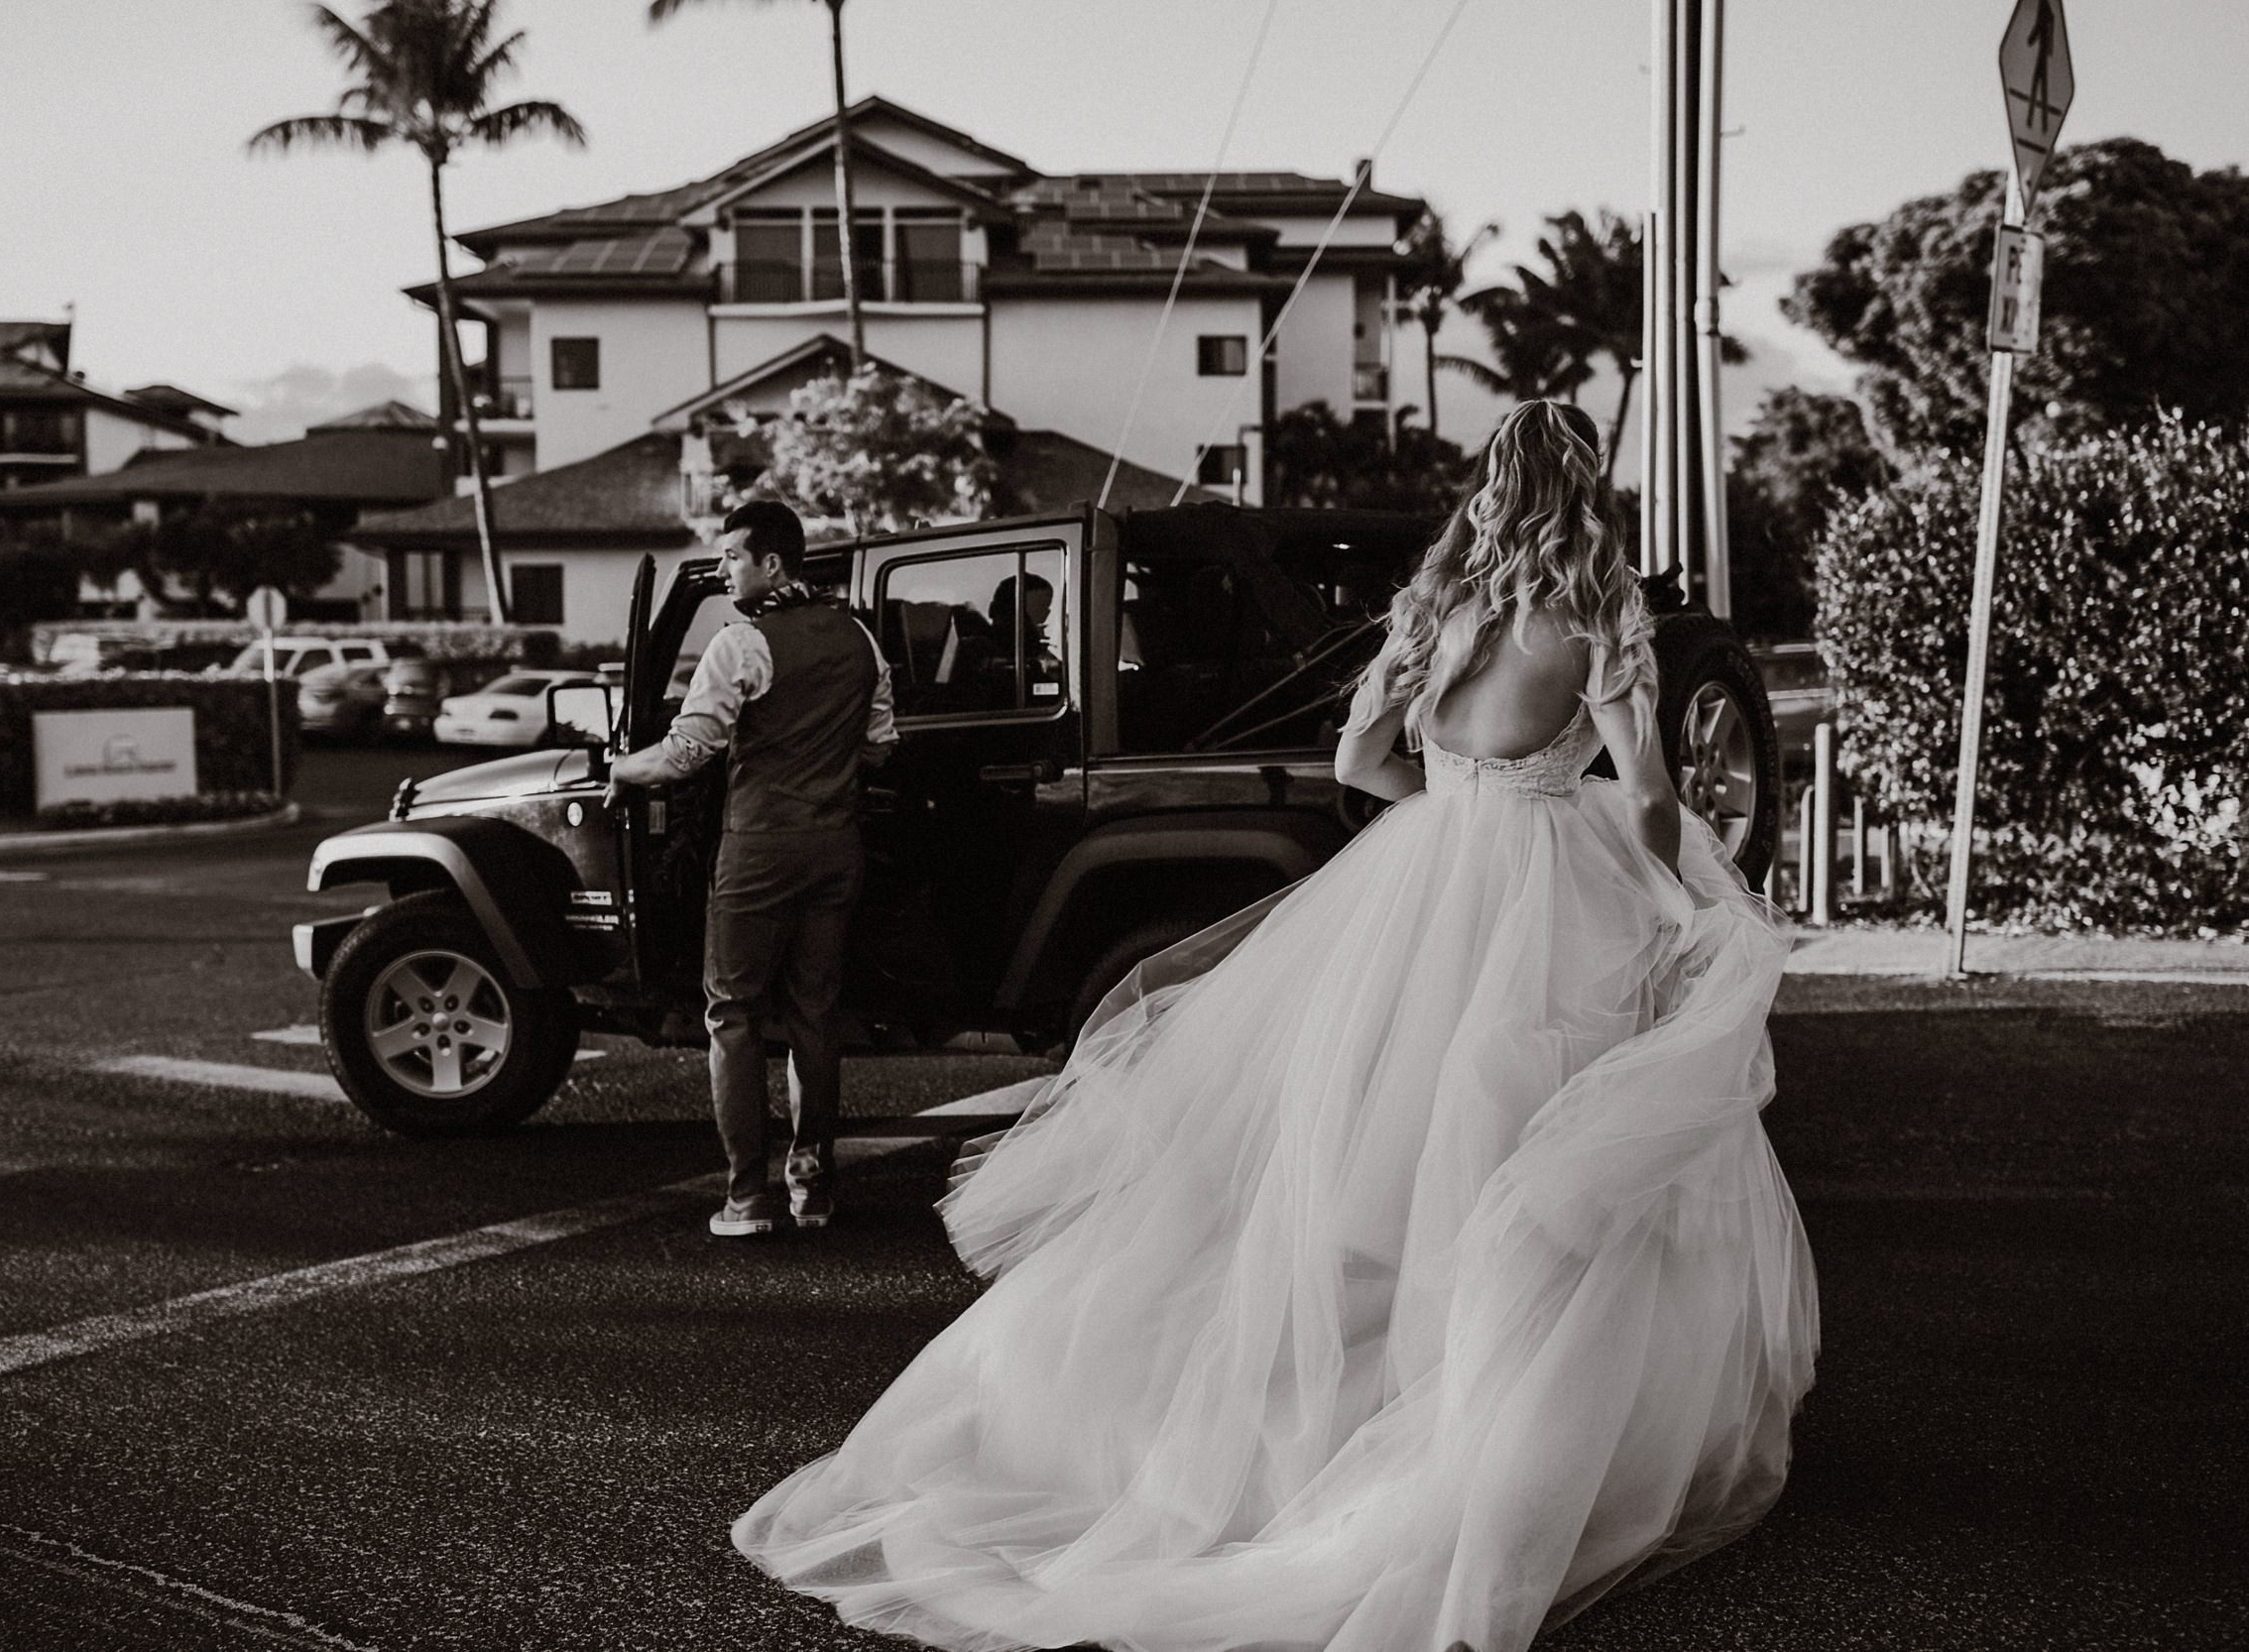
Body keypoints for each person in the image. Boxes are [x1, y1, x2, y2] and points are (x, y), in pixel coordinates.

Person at [729, 403, 1818, 1650]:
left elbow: (1359, 759)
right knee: (1536, 1161)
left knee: (1376, 1159)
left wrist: (1455, 802)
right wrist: (1662, 889)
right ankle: (1487, 1435)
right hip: (1541, 891)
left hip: (1423, 880)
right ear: (1585, 486)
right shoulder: (1597, 603)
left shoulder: (1440, 599)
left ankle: (1314, 1424)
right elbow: (1655, 797)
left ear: (1492, 482)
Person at [606, 499, 896, 1239]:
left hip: (760, 849)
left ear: (771, 563)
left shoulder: (742, 646)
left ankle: (746, 1200)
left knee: (733, 1015)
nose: (725, 567)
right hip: (836, 849)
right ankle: (814, 1189)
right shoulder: (861, 638)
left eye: (733, 555)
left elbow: (687, 752)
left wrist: (623, 767)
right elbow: (881, 745)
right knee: (814, 1016)